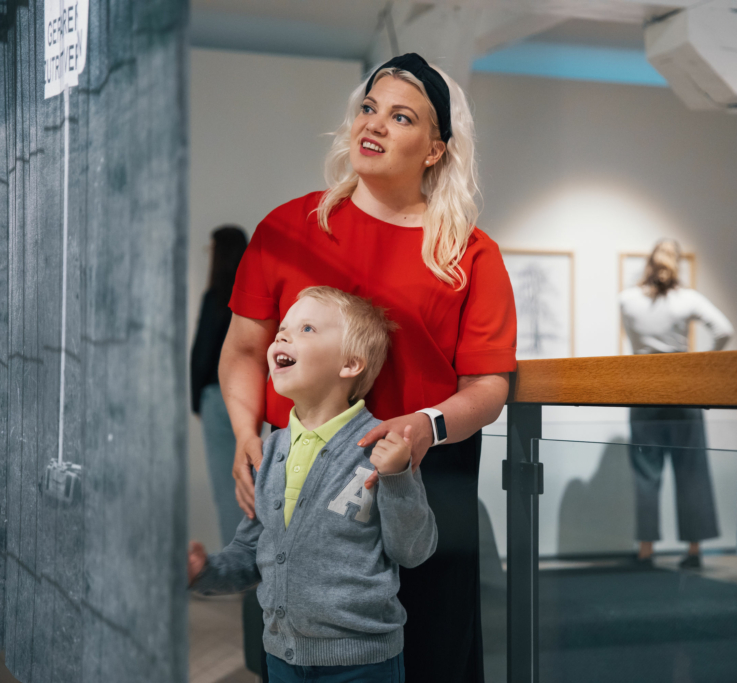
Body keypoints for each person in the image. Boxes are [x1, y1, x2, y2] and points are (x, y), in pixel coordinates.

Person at [218, 53, 517, 683]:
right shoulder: (286, 229)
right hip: (304, 472)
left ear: (435, 149)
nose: (373, 124)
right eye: (368, 108)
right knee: (303, 651)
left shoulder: (470, 253)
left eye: (401, 116)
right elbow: (245, 349)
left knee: (435, 654)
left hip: (428, 478)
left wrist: (425, 428)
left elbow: (488, 386)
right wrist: (247, 433)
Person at [189, 286, 436, 682]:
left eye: (305, 329)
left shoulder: (383, 447)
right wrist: (205, 571)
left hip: (364, 664)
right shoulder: (269, 453)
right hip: (282, 658)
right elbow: (251, 551)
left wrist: (397, 477)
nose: (282, 336)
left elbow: (413, 550)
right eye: (282, 329)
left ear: (350, 364)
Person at [619, 238, 733, 569]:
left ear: (649, 263)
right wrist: (704, 364)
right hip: (684, 389)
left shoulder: (626, 300)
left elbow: (633, 338)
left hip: (643, 391)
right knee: (691, 470)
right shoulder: (688, 299)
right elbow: (724, 330)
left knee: (646, 474)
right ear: (677, 264)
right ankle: (694, 550)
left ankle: (645, 552)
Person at [191, 225, 248, 545]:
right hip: (250, 398)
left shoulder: (215, 297)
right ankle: (257, 567)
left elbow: (201, 354)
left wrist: (196, 402)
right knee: (249, 484)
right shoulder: (254, 295)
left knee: (227, 489)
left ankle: (236, 572)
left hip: (217, 395)